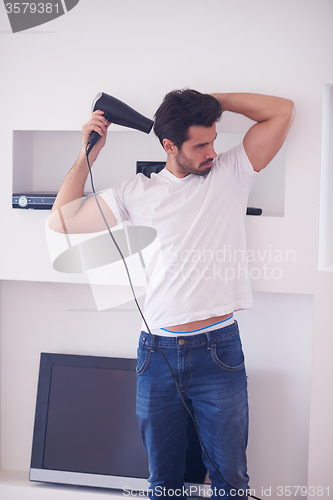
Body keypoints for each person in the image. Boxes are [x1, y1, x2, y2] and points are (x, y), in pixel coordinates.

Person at [49, 89, 295, 499]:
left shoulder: (230, 173)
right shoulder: (135, 193)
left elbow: (282, 112)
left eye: (214, 140)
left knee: (231, 482)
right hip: (157, 355)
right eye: (200, 145)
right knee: (163, 484)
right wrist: (87, 155)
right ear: (169, 145)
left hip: (218, 350)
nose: (212, 152)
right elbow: (62, 223)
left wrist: (212, 99)